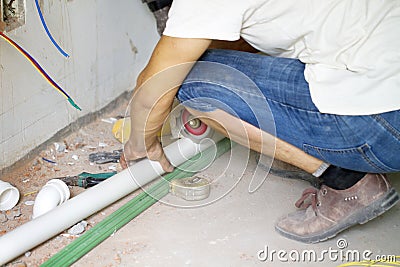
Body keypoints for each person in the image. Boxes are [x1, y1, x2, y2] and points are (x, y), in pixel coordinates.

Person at [121, 0, 400, 243]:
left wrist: (141, 143)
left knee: (194, 81)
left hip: (382, 127)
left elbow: (153, 89)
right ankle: (306, 147)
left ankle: (346, 181)